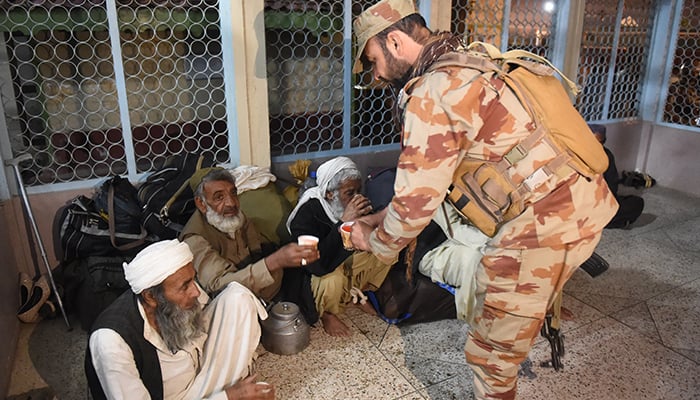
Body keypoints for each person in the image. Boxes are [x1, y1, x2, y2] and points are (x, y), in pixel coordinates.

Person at [350, 1, 618, 398]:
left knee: (491, 357)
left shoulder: (432, 92)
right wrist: (387, 215)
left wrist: (372, 243)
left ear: (394, 40)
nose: (375, 74)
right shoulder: (471, 60)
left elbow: (413, 209)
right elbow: (435, 188)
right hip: (581, 199)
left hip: (542, 223)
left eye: (373, 60)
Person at [85, 239, 275, 400]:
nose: (196, 291)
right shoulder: (111, 342)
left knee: (237, 297)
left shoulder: (178, 294)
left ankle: (226, 388)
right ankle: (230, 390)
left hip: (196, 372)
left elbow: (205, 326)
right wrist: (229, 396)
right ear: (150, 297)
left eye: (193, 279)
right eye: (185, 286)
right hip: (170, 395)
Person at [286, 156, 393, 336]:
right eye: (350, 193)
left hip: (342, 263)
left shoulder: (356, 205)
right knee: (331, 278)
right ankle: (328, 313)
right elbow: (316, 267)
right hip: (314, 274)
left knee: (385, 249)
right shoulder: (305, 216)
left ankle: (357, 295)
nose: (357, 198)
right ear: (330, 194)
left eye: (359, 191)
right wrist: (343, 223)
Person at [180, 168, 319, 304]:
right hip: (234, 302)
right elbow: (219, 285)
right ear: (201, 203)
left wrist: (285, 254)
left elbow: (258, 250)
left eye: (233, 193)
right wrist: (274, 262)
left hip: (258, 288)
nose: (231, 203)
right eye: (219, 197)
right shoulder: (194, 239)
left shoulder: (237, 217)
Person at [588, 123, 645, 229]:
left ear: (604, 142)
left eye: (600, 143)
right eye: (592, 142)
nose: (596, 146)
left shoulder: (607, 155)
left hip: (600, 203)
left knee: (636, 203)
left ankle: (599, 220)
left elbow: (612, 186)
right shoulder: (574, 154)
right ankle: (605, 221)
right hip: (579, 204)